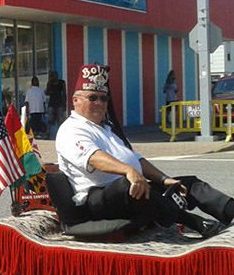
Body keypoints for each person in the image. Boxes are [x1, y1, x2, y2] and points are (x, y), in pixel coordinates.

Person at [55, 64, 234, 239]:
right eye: (93, 98)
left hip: (127, 191)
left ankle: (230, 211)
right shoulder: (71, 129)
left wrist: (164, 180)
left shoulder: (105, 129)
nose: (100, 103)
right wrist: (129, 171)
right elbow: (94, 158)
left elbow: (136, 159)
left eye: (104, 99)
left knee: (188, 184)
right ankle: (195, 222)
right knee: (130, 186)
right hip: (94, 199)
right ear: (75, 100)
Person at [45, 70, 67, 136]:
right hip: (52, 103)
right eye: (53, 75)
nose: (55, 77)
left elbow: (64, 94)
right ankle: (47, 132)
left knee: (60, 120)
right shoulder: (50, 83)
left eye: (55, 75)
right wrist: (49, 82)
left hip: (59, 103)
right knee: (50, 119)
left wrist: (64, 104)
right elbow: (46, 93)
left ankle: (61, 133)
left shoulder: (62, 83)